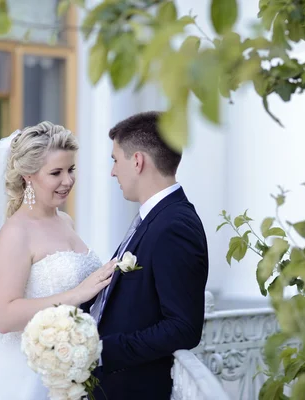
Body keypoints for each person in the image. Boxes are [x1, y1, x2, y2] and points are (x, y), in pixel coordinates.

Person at [0, 121, 116, 400]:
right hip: (22, 373)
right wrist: (77, 293)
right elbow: (4, 317)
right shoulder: (15, 233)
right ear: (29, 176)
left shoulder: (65, 221)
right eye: (56, 172)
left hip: (68, 366)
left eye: (71, 169)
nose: (67, 181)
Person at [83, 111, 209, 400]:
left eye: (115, 160)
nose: (112, 171)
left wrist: (102, 351)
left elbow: (183, 327)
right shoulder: (156, 217)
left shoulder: (175, 225)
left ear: (137, 161)